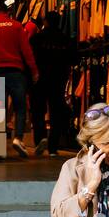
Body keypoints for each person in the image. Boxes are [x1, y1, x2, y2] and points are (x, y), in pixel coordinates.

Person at [0, 0, 39, 158]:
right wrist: (34, 71)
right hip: (16, 72)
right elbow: (27, 52)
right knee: (20, 107)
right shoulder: (17, 26)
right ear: (8, 11)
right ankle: (18, 138)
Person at [30, 11, 78, 156]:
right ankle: (53, 146)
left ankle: (40, 139)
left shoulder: (37, 39)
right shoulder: (66, 40)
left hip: (40, 79)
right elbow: (74, 59)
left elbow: (30, 58)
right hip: (59, 79)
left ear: (45, 22)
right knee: (56, 111)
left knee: (38, 109)